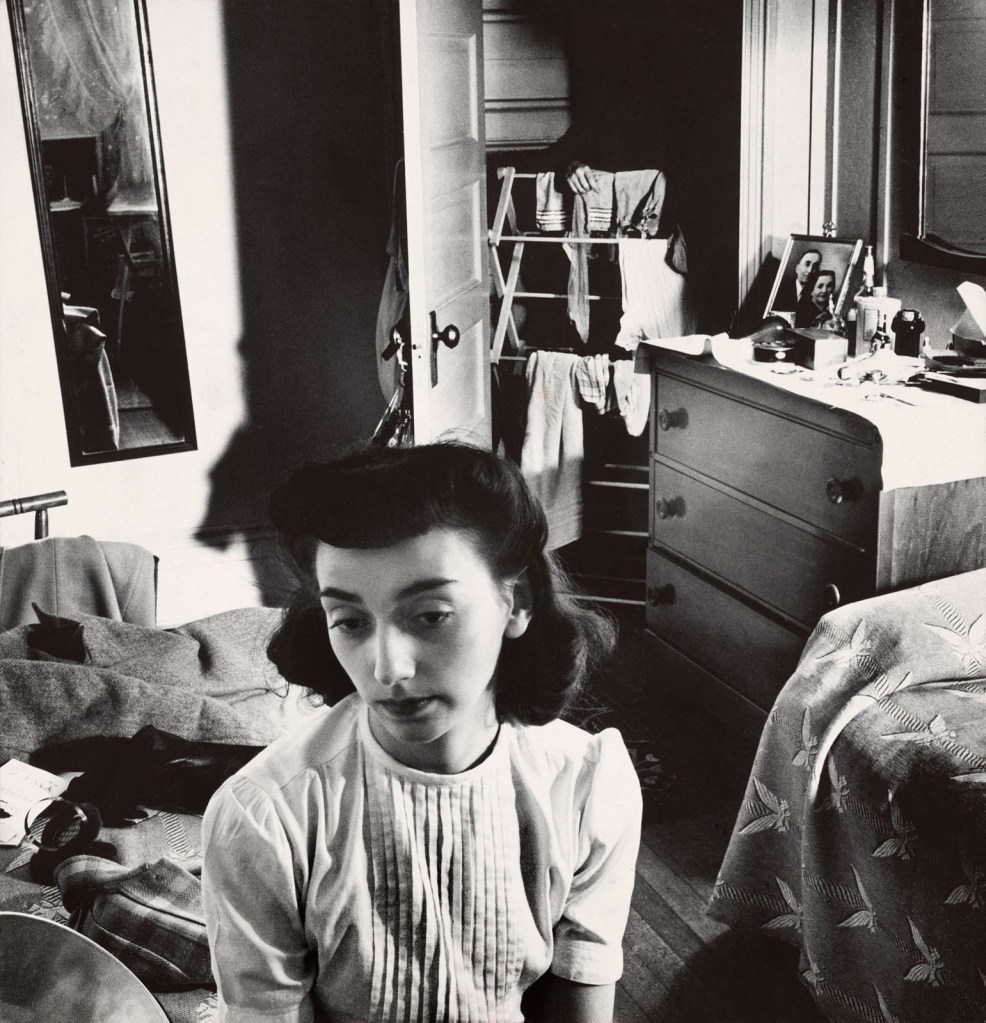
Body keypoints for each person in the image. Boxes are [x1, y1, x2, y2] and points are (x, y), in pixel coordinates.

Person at [201, 442, 643, 1023]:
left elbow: (579, 997)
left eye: (430, 615)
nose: (387, 670)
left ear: (519, 602)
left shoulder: (586, 784)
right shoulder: (265, 816)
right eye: (351, 621)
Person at [772, 249, 821, 314]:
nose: (810, 270)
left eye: (815, 266)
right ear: (797, 268)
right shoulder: (781, 291)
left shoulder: (816, 296)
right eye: (807, 264)